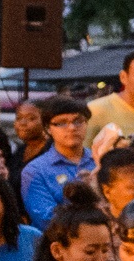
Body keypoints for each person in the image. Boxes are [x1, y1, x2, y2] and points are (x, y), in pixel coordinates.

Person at [20, 96, 96, 225]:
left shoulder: (100, 160)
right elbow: (46, 218)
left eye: (78, 121)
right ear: (48, 129)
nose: (72, 128)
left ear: (86, 123)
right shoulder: (35, 171)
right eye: (61, 123)